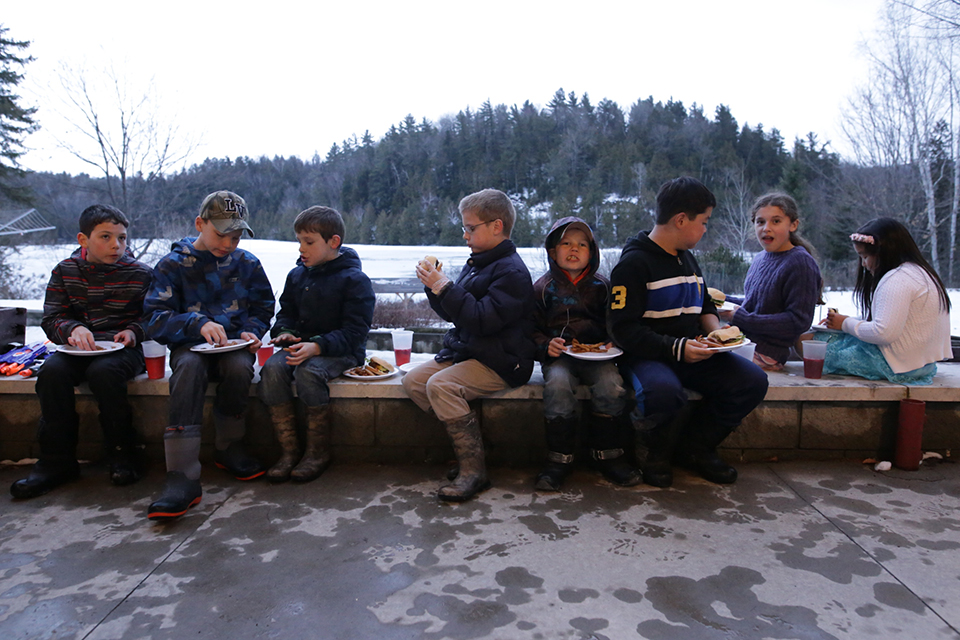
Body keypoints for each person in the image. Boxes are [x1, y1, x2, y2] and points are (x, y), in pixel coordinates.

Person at [608, 176, 768, 488]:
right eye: (704, 221)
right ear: (681, 220)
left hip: (693, 351)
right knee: (663, 392)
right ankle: (653, 453)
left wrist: (717, 332)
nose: (706, 229)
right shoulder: (633, 264)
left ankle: (697, 447)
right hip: (648, 355)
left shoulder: (686, 256)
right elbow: (622, 330)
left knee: (751, 381)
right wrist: (677, 348)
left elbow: (704, 300)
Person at [143, 190, 274, 520]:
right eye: (221, 234)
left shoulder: (247, 264)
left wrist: (252, 331)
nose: (229, 244)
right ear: (200, 224)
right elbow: (154, 318)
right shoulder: (172, 265)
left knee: (240, 366)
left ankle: (230, 446)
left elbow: (263, 307)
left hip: (233, 346)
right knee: (188, 366)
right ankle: (181, 474)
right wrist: (195, 323)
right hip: (189, 346)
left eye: (236, 236)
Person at [10, 204, 152, 500]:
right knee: (51, 373)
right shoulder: (65, 271)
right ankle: (55, 461)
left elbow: (153, 316)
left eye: (122, 238)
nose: (116, 245)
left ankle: (122, 453)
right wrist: (72, 329)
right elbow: (51, 318)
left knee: (104, 373)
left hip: (121, 349)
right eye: (105, 237)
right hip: (75, 348)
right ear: (83, 240)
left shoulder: (140, 274)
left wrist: (134, 332)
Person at [402, 188, 536, 502]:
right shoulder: (479, 263)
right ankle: (474, 446)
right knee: (414, 382)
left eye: (470, 228)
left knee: (441, 386)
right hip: (473, 350)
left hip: (503, 360)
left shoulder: (512, 272)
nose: (465, 235)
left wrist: (445, 286)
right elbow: (457, 315)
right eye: (464, 228)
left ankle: (474, 470)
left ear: (497, 226)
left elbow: (482, 320)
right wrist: (435, 289)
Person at [257, 206, 374, 483]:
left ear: (333, 242)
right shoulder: (296, 276)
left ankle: (317, 452)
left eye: (309, 242)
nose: (302, 249)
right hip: (302, 348)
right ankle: (288, 451)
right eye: (299, 241)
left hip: (343, 352)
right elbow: (285, 312)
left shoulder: (354, 280)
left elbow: (356, 331)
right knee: (272, 370)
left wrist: (318, 346)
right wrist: (284, 332)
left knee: (309, 372)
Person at [531, 217, 640, 491]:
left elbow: (616, 323)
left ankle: (607, 455)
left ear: (592, 252)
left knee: (611, 385)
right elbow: (528, 330)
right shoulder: (542, 288)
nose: (574, 249)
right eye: (565, 243)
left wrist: (609, 342)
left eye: (582, 244)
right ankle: (559, 460)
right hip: (560, 356)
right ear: (552, 252)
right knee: (557, 384)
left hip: (598, 356)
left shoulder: (604, 287)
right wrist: (545, 345)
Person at [806, 218, 952, 384]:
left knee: (806, 341)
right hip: (923, 364)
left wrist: (846, 323)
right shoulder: (921, 273)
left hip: (897, 366)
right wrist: (848, 321)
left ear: (886, 253)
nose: (864, 264)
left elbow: (883, 332)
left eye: (865, 256)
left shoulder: (896, 280)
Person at [719, 193, 822, 370]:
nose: (766, 228)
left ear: (793, 225)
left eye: (776, 221)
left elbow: (797, 321)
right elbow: (756, 305)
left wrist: (739, 317)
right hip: (743, 344)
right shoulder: (760, 258)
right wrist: (720, 300)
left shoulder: (800, 262)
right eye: (760, 222)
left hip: (766, 354)